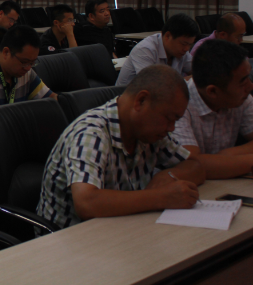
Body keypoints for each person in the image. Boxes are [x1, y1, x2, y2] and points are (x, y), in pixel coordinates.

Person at [37, 65, 206, 231]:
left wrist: (169, 176)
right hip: (70, 239)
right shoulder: (90, 133)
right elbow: (87, 203)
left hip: (122, 227)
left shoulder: (150, 132)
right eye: (169, 118)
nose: (171, 128)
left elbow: (195, 166)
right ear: (141, 101)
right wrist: (161, 196)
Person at [171, 40, 253, 179]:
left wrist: (226, 156)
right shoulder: (178, 105)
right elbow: (191, 165)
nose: (250, 86)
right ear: (213, 91)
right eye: (243, 82)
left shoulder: (241, 97)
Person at [116, 13, 199, 86]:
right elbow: (152, 86)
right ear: (168, 36)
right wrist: (186, 81)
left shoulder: (181, 51)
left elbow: (200, 72)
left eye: (190, 45)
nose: (186, 49)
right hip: (129, 96)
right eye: (183, 44)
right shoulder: (145, 49)